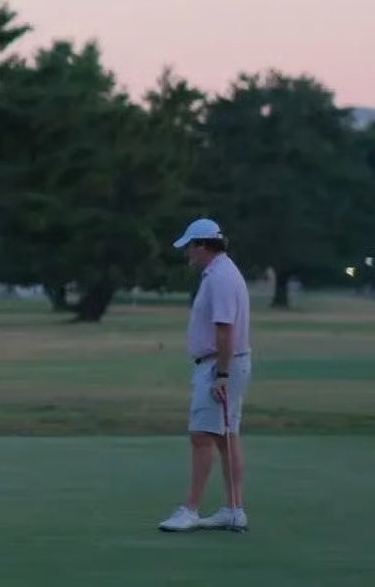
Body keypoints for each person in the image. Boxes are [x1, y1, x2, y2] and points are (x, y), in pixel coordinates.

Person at [157, 218, 252, 532]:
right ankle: (234, 510)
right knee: (225, 437)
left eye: (189, 246)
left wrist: (221, 375)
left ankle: (191, 509)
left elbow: (225, 329)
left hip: (219, 365)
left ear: (202, 245)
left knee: (202, 437)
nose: (187, 253)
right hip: (223, 364)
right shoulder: (220, 272)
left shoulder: (220, 277)